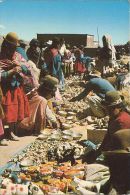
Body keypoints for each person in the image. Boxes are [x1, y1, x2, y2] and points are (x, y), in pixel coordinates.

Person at [0, 32, 32, 140]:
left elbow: (28, 68)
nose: (12, 49)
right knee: (5, 111)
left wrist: (20, 66)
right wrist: (12, 71)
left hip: (17, 87)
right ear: (5, 45)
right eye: (10, 46)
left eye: (14, 47)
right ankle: (3, 135)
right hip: (5, 89)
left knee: (15, 110)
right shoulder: (1, 57)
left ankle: (12, 132)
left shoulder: (18, 56)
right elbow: (1, 75)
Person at [84, 91, 130, 163]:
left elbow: (123, 148)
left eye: (111, 109)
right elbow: (107, 137)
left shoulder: (122, 121)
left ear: (119, 107)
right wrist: (97, 153)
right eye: (107, 109)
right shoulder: (113, 118)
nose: (108, 111)